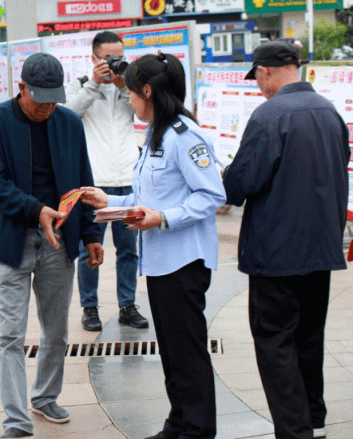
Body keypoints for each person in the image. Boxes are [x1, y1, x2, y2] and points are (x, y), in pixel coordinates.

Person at [82, 52, 227, 439]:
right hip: (161, 262)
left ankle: (197, 429)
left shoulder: (185, 136)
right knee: (172, 350)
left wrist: (163, 219)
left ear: (147, 90)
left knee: (187, 352)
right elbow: (149, 196)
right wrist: (108, 201)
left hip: (184, 261)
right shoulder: (155, 133)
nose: (128, 100)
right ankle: (178, 423)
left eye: (131, 93)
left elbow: (212, 195)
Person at [222, 41, 350, 439]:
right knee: (309, 338)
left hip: (276, 254)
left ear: (264, 71)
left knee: (275, 343)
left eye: (257, 77)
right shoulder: (330, 113)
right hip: (320, 250)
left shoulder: (269, 114)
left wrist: (226, 175)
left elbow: (241, 183)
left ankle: (294, 433)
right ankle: (314, 420)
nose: (259, 85)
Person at [0, 53, 104, 438]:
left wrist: (92, 236)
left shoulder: (67, 122)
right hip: (12, 241)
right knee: (11, 335)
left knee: (56, 331)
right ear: (21, 88)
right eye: (40, 100)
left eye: (54, 99)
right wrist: (37, 211)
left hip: (59, 242)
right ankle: (16, 421)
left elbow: (83, 179)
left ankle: (45, 396)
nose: (47, 108)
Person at [64, 31, 147, 332]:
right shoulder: (79, 85)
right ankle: (89, 307)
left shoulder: (129, 83)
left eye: (119, 57)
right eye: (108, 58)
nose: (114, 63)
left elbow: (145, 116)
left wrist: (125, 86)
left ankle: (127, 305)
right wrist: (95, 84)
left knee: (129, 249)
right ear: (94, 58)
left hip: (127, 178)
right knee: (90, 249)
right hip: (96, 181)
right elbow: (69, 115)